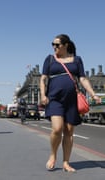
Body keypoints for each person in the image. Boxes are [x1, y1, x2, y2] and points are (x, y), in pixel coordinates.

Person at [40, 34, 101, 172]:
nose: (54, 47)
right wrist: (43, 95)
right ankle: (53, 154)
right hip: (54, 99)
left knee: (68, 132)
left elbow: (83, 79)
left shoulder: (77, 60)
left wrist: (93, 94)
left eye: (57, 45)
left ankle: (66, 162)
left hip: (72, 100)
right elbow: (43, 79)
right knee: (57, 128)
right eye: (53, 45)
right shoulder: (49, 59)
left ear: (66, 45)